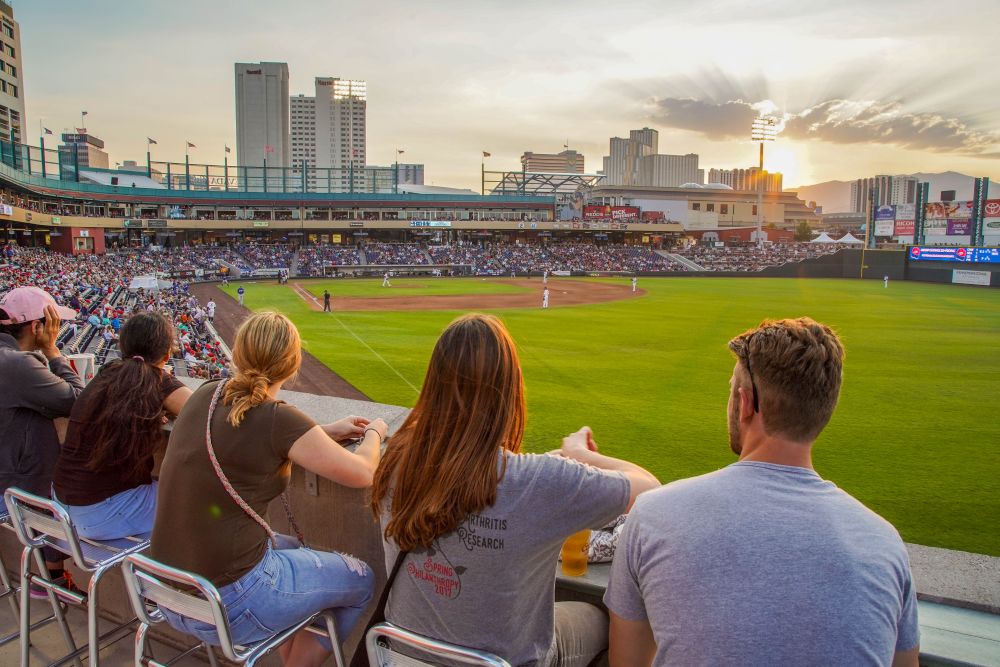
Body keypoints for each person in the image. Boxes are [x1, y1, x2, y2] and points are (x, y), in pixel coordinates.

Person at [604, 318, 919, 667]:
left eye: (730, 391)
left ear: (745, 403)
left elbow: (627, 662)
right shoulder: (884, 543)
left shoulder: (652, 515)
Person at [371, 313, 659, 667]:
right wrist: (578, 454)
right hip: (505, 661)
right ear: (508, 390)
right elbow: (649, 488)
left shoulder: (396, 460)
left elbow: (476, 473)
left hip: (400, 657)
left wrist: (556, 463)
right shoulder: (538, 483)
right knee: (598, 618)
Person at [150, 311, 389, 667]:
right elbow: (361, 472)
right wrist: (376, 433)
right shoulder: (275, 417)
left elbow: (252, 435)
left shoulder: (206, 394)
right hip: (228, 602)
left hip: (164, 589)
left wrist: (323, 432)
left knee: (291, 546)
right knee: (362, 581)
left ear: (237, 354)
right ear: (292, 365)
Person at [53, 312, 192, 539]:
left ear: (123, 347)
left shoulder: (106, 373)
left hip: (62, 506)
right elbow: (201, 411)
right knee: (202, 498)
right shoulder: (158, 380)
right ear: (167, 354)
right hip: (100, 512)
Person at [0, 287, 85, 595]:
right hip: (13, 495)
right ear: (37, 327)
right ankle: (53, 581)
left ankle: (53, 577)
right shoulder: (17, 364)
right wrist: (53, 352)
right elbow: (78, 402)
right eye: (51, 324)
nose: (54, 330)